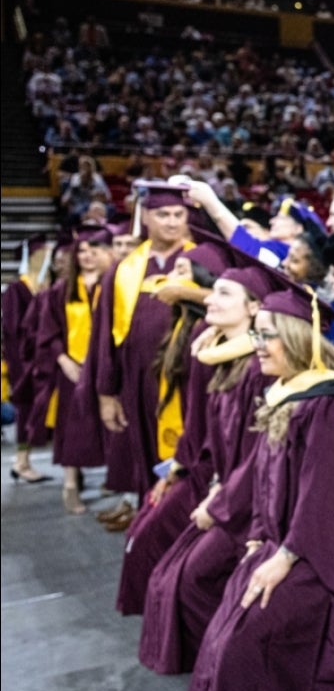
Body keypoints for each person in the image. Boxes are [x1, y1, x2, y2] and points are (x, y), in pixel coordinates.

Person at [183, 284, 334, 691]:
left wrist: (285, 555)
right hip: (283, 542)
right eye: (255, 334)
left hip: (322, 555)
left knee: (260, 629)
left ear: (297, 338)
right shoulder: (288, 393)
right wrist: (261, 537)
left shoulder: (328, 403)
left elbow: (326, 498)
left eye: (267, 335)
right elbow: (268, 479)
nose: (258, 345)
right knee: (232, 625)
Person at [139, 261, 284, 675]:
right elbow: (204, 436)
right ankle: (210, 666)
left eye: (224, 294)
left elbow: (259, 457)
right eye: (213, 291)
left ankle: (220, 669)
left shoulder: (259, 370)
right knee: (168, 572)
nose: (211, 301)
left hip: (248, 505)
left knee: (191, 576)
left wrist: (218, 503)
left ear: (254, 308)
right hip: (221, 488)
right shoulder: (217, 357)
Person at [115, 244, 230, 617]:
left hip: (207, 467)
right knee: (141, 531)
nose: (171, 279)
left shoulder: (211, 342)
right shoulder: (186, 328)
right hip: (188, 455)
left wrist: (183, 469)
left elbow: (207, 424)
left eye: (182, 270)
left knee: (151, 538)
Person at [90, 181, 198, 527]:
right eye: (162, 214)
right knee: (147, 458)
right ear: (146, 218)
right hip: (140, 384)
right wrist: (108, 392)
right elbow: (106, 336)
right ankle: (151, 526)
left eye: (178, 214)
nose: (171, 221)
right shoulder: (125, 270)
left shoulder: (203, 261)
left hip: (192, 384)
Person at [32, 226, 115, 513]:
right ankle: (69, 485)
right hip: (73, 369)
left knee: (112, 424)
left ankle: (115, 480)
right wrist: (64, 361)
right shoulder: (62, 289)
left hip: (106, 367)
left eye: (94, 250)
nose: (87, 256)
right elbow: (48, 332)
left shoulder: (114, 286)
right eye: (82, 250)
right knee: (72, 428)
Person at [174, 178, 328, 267]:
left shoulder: (287, 251)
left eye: (281, 218)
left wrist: (211, 201)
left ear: (298, 229)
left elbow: (249, 248)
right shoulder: (276, 246)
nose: (272, 220)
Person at [1, 236, 56, 483]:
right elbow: (12, 330)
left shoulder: (44, 285)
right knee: (26, 411)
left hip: (41, 358)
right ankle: (22, 462)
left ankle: (26, 461)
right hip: (24, 361)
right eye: (40, 255)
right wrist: (23, 363)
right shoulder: (17, 289)